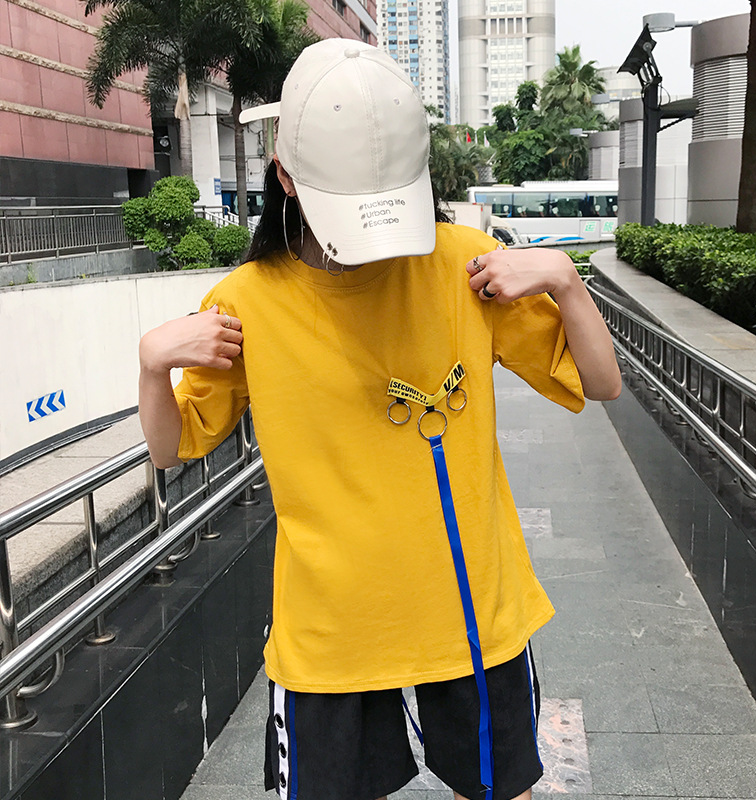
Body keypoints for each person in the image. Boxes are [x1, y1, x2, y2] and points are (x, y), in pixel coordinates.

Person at [138, 38, 620, 800]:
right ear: (284, 178)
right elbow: (172, 450)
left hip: (471, 609)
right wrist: (151, 367)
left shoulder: (468, 268)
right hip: (330, 629)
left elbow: (602, 383)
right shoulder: (245, 305)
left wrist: (566, 280)